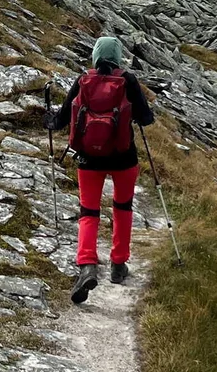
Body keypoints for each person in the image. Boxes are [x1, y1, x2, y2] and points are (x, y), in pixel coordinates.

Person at [46, 35, 156, 302]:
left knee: (89, 212)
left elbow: (60, 120)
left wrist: (48, 117)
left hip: (89, 160)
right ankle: (118, 264)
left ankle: (86, 265)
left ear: (95, 56)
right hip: (123, 158)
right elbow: (146, 118)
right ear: (118, 57)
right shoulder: (127, 80)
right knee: (123, 208)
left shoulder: (84, 79)